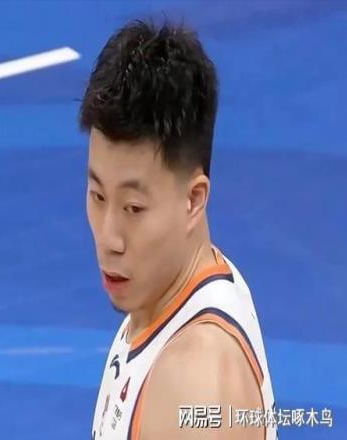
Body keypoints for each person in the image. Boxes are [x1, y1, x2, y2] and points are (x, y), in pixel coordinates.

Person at [78, 18, 277, 440]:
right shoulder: (166, 294)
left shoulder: (196, 382)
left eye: (133, 208)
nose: (109, 239)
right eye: (97, 196)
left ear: (194, 199)